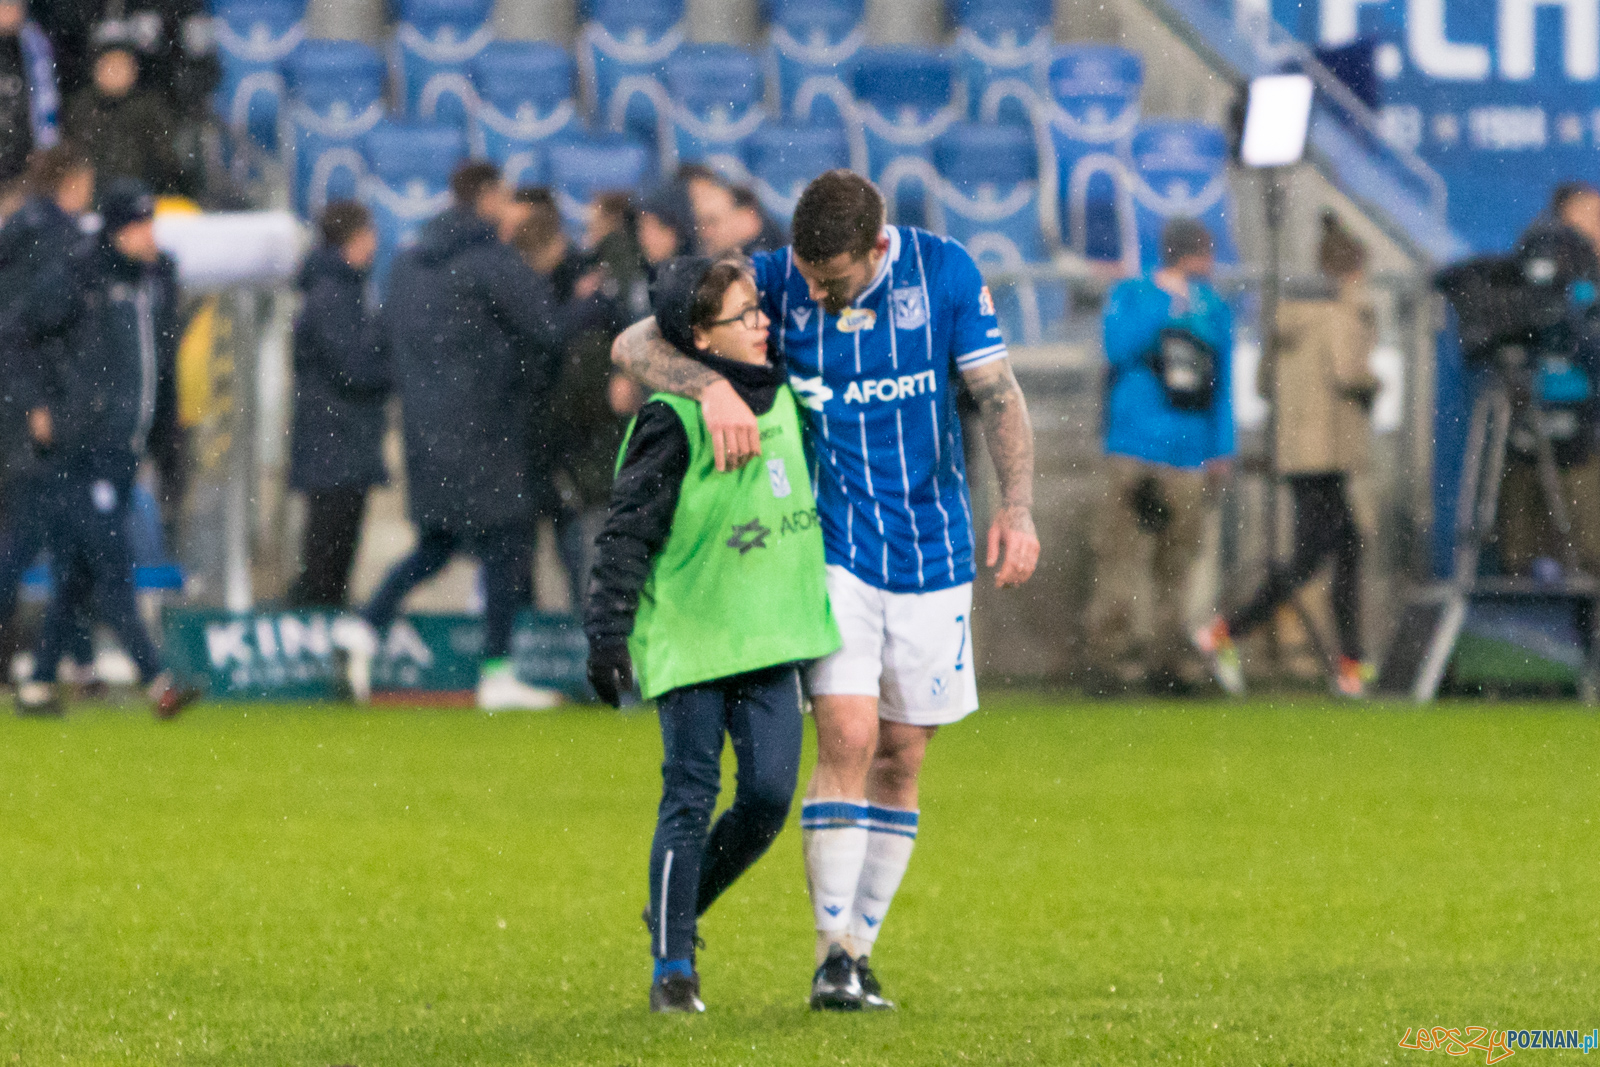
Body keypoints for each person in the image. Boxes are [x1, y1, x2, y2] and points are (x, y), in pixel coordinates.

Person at [612, 169, 1040, 1011]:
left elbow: (997, 392)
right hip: (834, 548)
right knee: (847, 733)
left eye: (830, 280)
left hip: (935, 546)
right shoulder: (777, 276)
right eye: (805, 275)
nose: (811, 293)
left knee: (904, 753)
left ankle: (858, 951)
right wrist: (713, 385)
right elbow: (632, 346)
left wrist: (1020, 508)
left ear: (877, 249)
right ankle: (829, 957)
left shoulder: (944, 272)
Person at [586, 256, 840, 1013]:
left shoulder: (786, 391)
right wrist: (607, 633)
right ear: (700, 337)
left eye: (760, 307)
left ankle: (677, 905)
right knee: (690, 796)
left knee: (765, 798)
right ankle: (673, 967)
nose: (764, 321)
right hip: (694, 638)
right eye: (744, 314)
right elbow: (626, 531)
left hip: (769, 637)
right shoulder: (672, 419)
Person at [351, 161, 564, 711]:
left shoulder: (407, 263)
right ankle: (496, 672)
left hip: (426, 430)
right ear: (490, 199)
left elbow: (385, 342)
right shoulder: (489, 261)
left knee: (439, 541)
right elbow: (545, 327)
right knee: (509, 539)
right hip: (487, 426)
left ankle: (365, 626)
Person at [4, 178, 197, 717]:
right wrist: (38, 404)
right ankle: (157, 680)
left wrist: (165, 437)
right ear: (114, 231)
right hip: (79, 447)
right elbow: (16, 332)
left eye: (149, 223)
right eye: (137, 225)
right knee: (111, 561)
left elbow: (159, 368)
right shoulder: (79, 277)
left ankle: (40, 685)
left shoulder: (154, 281)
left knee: (76, 572)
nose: (147, 235)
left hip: (124, 446)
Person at [1194, 212, 1379, 698]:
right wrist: (1373, 379)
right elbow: (1350, 372)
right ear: (1355, 269)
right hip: (1329, 451)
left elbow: (1263, 384)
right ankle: (1226, 632)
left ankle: (1350, 662)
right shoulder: (1343, 311)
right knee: (1316, 557)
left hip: (1297, 451)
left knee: (1339, 550)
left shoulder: (1286, 315)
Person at [1088, 217, 1234, 694]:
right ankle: (1113, 665)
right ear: (1190, 254)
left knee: (1180, 566)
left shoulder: (1214, 307)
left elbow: (1221, 383)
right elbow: (1117, 347)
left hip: (1190, 453)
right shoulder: (1133, 295)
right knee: (1122, 561)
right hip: (1133, 450)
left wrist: (1221, 449)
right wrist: (1164, 308)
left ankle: (1172, 666)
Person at [0, 145, 99, 685]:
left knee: (51, 531)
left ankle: (70, 659)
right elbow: (29, 327)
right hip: (31, 408)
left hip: (20, 400)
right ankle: (64, 661)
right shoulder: (55, 236)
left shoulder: (21, 228)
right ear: (71, 180)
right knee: (39, 532)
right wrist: (38, 399)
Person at [1491, 181, 1600, 579]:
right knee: (1565, 527)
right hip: (1556, 407)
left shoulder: (1576, 263)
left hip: (1574, 410)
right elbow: (1569, 330)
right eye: (1593, 213)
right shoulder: (1556, 259)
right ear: (1568, 214)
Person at [286, 201, 389, 610]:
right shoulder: (333, 293)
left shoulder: (342, 288)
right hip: (334, 446)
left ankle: (321, 633)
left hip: (341, 444)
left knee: (333, 557)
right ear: (356, 238)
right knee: (327, 559)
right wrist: (395, 366)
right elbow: (353, 368)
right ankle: (313, 640)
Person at [61, 24, 182, 194]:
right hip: (92, 201)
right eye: (109, 64)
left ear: (134, 70)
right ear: (95, 69)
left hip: (141, 200)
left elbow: (169, 161)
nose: (115, 71)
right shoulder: (79, 108)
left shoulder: (150, 108)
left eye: (122, 64)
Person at [0, 0, 60, 186]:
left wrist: (46, 146)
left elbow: (48, 98)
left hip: (25, 157)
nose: (9, 12)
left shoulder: (36, 45)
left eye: (14, 6)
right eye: (4, 6)